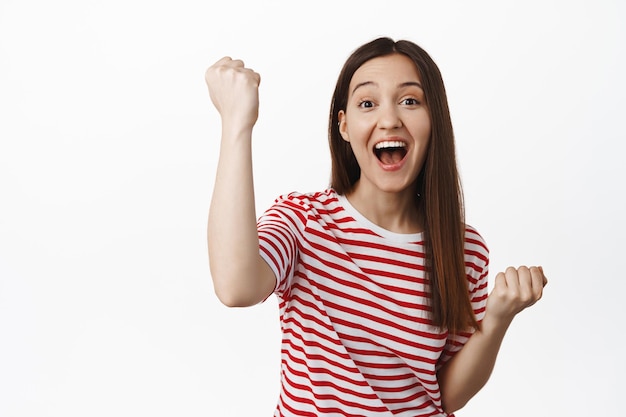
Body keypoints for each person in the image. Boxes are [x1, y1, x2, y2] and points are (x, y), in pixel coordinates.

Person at [205, 37, 547, 417]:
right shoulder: (303, 220)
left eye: (410, 101)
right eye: (368, 103)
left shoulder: (464, 248)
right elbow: (235, 287)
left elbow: (448, 396)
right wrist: (237, 123)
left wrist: (498, 317)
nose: (389, 120)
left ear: (435, 120)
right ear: (344, 125)